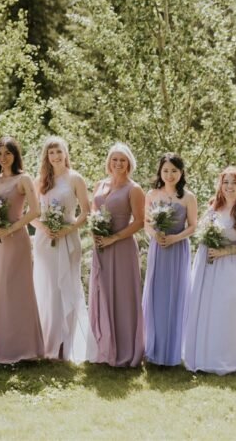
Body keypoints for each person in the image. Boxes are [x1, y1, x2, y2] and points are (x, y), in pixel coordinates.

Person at [182, 166, 236, 375]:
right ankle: (206, 357)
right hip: (210, 270)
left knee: (229, 312)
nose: (229, 186)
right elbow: (201, 230)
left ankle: (229, 360)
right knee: (210, 312)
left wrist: (225, 251)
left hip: (234, 268)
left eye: (234, 182)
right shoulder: (214, 207)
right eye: (225, 182)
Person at [31, 136, 92, 362]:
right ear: (46, 156)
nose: (56, 156)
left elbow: (86, 211)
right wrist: (44, 228)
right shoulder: (40, 181)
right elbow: (31, 215)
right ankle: (47, 341)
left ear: (66, 153)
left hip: (68, 237)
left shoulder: (75, 178)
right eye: (51, 153)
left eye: (59, 152)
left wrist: (68, 229)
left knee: (66, 286)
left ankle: (65, 344)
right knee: (48, 289)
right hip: (45, 241)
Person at [0, 136, 45, 364]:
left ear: (15, 155)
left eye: (8, 153)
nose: (3, 157)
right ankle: (3, 347)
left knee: (18, 291)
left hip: (16, 239)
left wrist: (10, 228)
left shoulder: (24, 179)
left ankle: (25, 349)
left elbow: (35, 211)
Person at [88, 141, 145, 367]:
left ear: (129, 163)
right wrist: (95, 231)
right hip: (101, 246)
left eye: (122, 160)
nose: (118, 163)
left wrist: (114, 237)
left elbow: (139, 221)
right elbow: (93, 211)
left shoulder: (134, 189)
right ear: (109, 162)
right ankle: (103, 347)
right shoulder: (100, 185)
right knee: (101, 291)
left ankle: (125, 350)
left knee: (122, 296)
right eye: (114, 159)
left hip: (122, 248)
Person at [142, 153, 197, 367]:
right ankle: (153, 348)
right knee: (157, 295)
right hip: (158, 249)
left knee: (176, 295)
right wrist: (155, 235)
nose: (169, 174)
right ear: (160, 172)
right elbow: (146, 223)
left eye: (174, 170)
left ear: (181, 172)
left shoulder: (188, 197)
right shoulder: (152, 194)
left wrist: (176, 237)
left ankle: (172, 351)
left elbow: (193, 226)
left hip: (178, 249)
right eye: (165, 170)